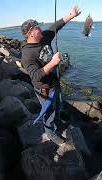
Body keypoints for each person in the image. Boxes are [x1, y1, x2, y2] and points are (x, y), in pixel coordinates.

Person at [21, 5, 81, 144]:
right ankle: (51, 133)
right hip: (44, 89)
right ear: (30, 34)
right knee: (49, 112)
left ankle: (58, 124)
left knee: (58, 106)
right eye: (36, 28)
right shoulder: (27, 54)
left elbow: (57, 25)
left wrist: (71, 15)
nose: (40, 29)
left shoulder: (44, 37)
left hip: (55, 82)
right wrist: (53, 62)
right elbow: (35, 75)